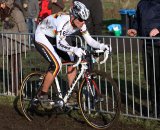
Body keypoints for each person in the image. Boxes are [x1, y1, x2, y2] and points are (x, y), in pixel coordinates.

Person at [34, 1, 109, 107]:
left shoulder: (80, 23)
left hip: (55, 38)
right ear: (73, 16)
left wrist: (101, 46)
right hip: (42, 36)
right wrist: (74, 49)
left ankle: (70, 94)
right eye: (81, 20)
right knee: (57, 64)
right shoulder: (63, 21)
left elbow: (89, 40)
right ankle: (42, 94)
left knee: (73, 61)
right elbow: (60, 44)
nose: (83, 23)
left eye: (85, 20)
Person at [127, 0, 160, 118]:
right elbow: (138, 20)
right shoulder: (141, 3)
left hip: (159, 44)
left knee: (158, 79)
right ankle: (155, 110)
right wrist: (134, 29)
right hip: (147, 45)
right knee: (150, 78)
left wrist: (159, 29)